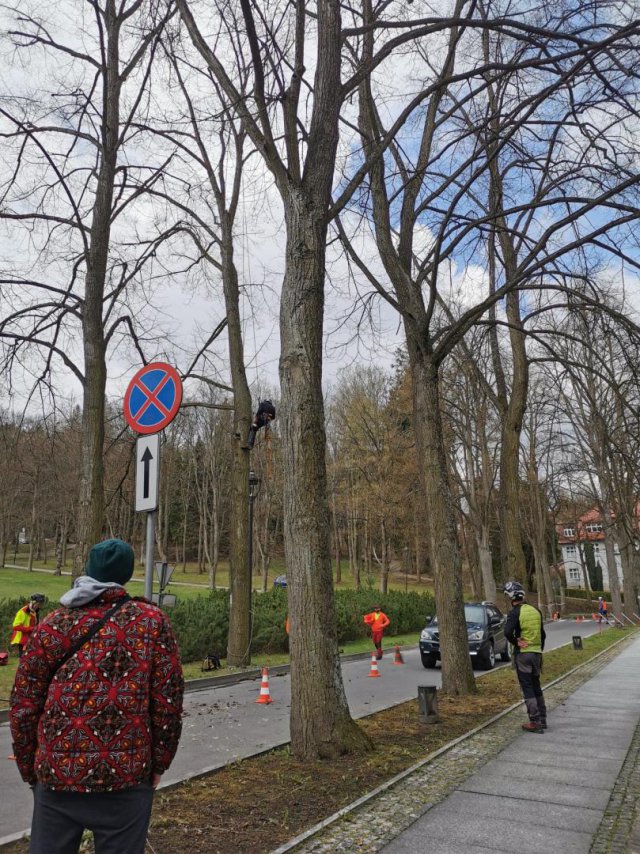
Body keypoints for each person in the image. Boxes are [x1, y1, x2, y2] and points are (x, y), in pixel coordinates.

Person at [10, 538, 184, 854]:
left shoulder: (54, 624)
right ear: (127, 574)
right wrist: (159, 764)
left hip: (57, 777)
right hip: (127, 777)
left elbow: (24, 702)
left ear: (88, 570)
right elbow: (168, 703)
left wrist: (30, 766)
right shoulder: (151, 622)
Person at [503, 581, 547, 733]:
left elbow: (507, 632)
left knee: (527, 687)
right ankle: (543, 718)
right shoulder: (536, 611)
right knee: (536, 685)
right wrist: (539, 651)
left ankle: (534, 721)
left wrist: (516, 642)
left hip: (523, 655)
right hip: (537, 654)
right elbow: (543, 635)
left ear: (511, 597)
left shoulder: (515, 612)